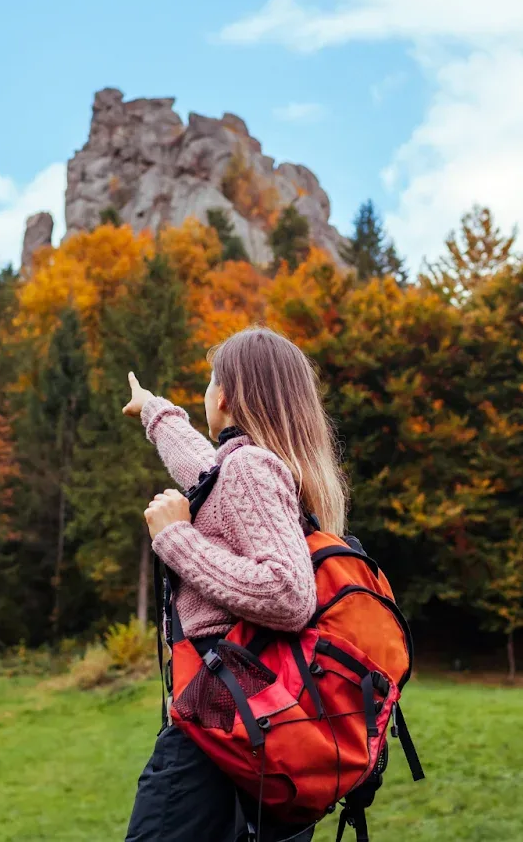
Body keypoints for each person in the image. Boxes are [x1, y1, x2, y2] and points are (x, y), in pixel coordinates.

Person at [122, 326, 348, 842]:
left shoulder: (249, 467)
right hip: (269, 705)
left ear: (223, 395)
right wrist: (153, 409)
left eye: (208, 383)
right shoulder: (264, 469)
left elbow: (287, 593)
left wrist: (177, 538)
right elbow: (200, 469)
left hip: (225, 697)